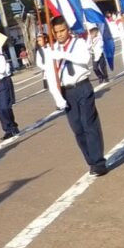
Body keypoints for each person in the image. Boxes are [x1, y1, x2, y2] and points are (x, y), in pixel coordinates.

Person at [42, 16, 109, 177]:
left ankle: (98, 162)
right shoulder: (52, 50)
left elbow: (85, 59)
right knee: (78, 129)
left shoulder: (78, 43)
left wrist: (64, 55)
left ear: (68, 29)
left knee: (89, 125)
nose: (59, 34)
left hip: (82, 87)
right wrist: (57, 97)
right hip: (67, 92)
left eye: (62, 30)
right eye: (56, 32)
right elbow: (51, 75)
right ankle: (90, 161)